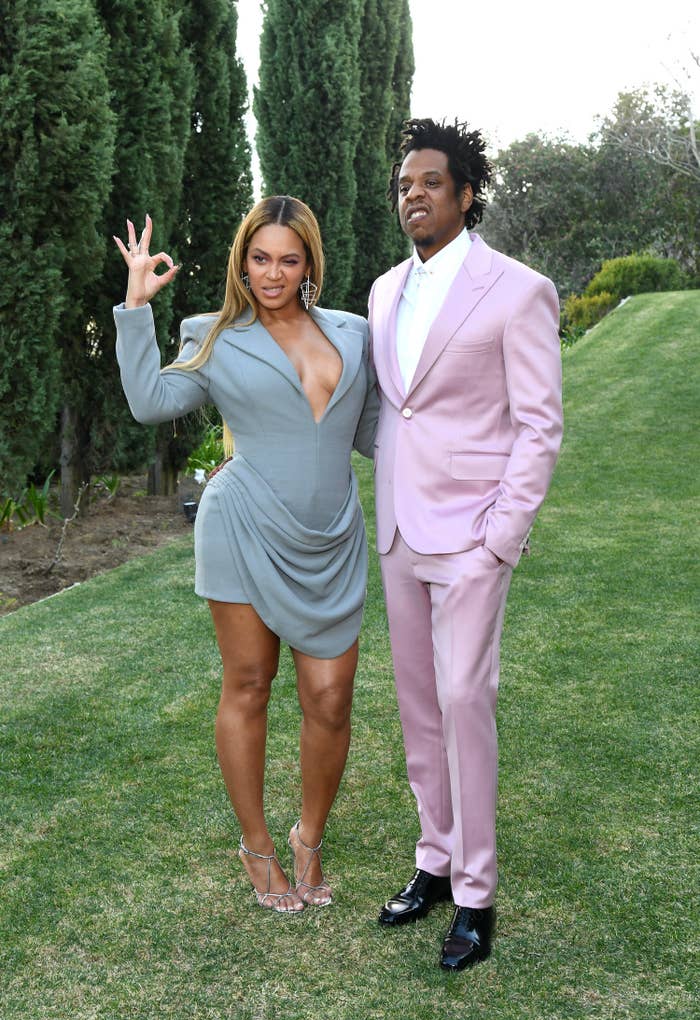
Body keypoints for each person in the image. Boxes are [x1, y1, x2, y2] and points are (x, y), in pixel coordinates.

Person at [113, 196, 378, 914]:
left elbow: (381, 434)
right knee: (250, 685)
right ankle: (257, 846)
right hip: (242, 527)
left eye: (289, 259)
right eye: (260, 257)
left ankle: (309, 838)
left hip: (331, 537)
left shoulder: (355, 334)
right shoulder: (215, 337)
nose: (272, 273)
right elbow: (148, 400)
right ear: (241, 259)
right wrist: (136, 307)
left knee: (330, 697)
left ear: (310, 264)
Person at [368, 118, 563, 969]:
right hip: (399, 531)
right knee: (418, 710)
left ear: (466, 194)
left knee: (464, 702)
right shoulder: (383, 291)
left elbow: (540, 424)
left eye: (431, 183)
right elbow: (392, 410)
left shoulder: (518, 289)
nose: (414, 194)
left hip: (472, 538)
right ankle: (435, 861)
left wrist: (500, 536)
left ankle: (477, 896)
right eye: (405, 184)